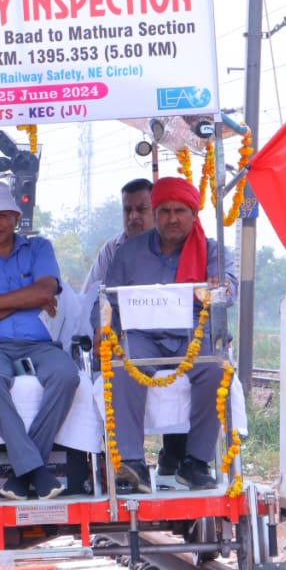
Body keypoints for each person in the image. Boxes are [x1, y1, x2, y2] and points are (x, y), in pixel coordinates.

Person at [94, 175, 238, 493]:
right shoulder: (129, 252)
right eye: (165, 211)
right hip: (143, 335)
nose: (172, 218)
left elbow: (229, 290)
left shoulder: (211, 251)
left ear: (193, 214)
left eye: (180, 211)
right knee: (121, 367)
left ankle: (196, 462)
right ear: (156, 214)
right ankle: (132, 465)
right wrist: (101, 327)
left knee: (216, 369)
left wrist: (218, 289)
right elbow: (107, 301)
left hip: (193, 335)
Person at [0, 181, 80, 501]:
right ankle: (37, 472)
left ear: (14, 216)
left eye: (1, 215)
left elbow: (44, 291)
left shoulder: (39, 248)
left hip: (39, 345)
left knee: (66, 375)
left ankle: (23, 472)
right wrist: (29, 298)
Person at [82, 178, 187, 476]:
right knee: (117, 362)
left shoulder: (181, 247)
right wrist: (101, 328)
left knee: (202, 364)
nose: (133, 217)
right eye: (127, 210)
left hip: (175, 338)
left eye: (142, 209)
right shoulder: (113, 249)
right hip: (128, 340)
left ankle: (179, 456)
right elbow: (95, 299)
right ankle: (125, 462)